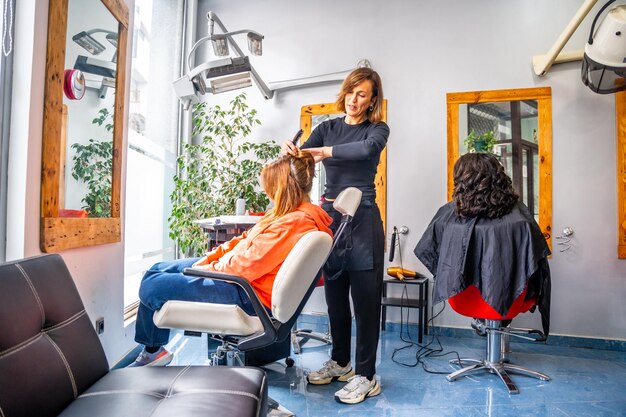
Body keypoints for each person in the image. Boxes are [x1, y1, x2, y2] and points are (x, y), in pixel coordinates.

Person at [129, 150, 332, 367]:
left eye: (269, 188)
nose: (267, 193)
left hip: (245, 293)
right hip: (239, 281)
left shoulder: (293, 223)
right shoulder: (286, 215)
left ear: (281, 188)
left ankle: (152, 351)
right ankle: (153, 351)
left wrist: (212, 267)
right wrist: (211, 258)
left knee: (151, 285)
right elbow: (243, 240)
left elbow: (244, 267)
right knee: (157, 268)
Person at [282, 67, 389, 405]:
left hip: (363, 220)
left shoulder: (377, 130)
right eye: (351, 92)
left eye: (362, 94)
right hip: (329, 220)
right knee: (336, 301)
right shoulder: (327, 127)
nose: (354, 100)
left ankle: (367, 376)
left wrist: (325, 152)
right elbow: (303, 157)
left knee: (366, 304)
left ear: (372, 99)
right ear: (344, 93)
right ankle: (342, 363)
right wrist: (289, 151)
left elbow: (364, 152)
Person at [414, 152, 551, 336]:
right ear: (498, 176)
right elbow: (535, 266)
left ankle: (484, 327)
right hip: (512, 298)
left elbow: (431, 253)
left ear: (461, 180)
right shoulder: (519, 218)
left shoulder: (447, 216)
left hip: (462, 297)